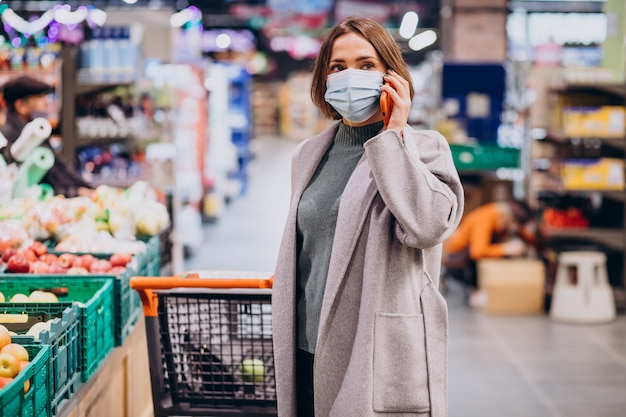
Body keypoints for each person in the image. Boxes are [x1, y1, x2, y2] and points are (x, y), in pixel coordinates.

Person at [271, 17, 464, 417]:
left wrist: (393, 136)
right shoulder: (308, 155)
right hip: (307, 345)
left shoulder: (424, 148)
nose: (349, 77)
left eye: (366, 65)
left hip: (374, 352)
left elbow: (429, 226)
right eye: (337, 67)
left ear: (391, 76)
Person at [0, 75, 92, 197]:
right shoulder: (14, 140)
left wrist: (83, 188)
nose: (46, 102)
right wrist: (76, 192)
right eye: (40, 97)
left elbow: (59, 169)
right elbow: (35, 183)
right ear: (21, 106)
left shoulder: (33, 132)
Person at [442, 199, 537, 305]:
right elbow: (478, 251)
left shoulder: (505, 220)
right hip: (457, 259)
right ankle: (475, 292)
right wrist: (506, 249)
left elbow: (521, 233)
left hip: (468, 255)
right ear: (510, 218)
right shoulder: (486, 218)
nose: (514, 228)